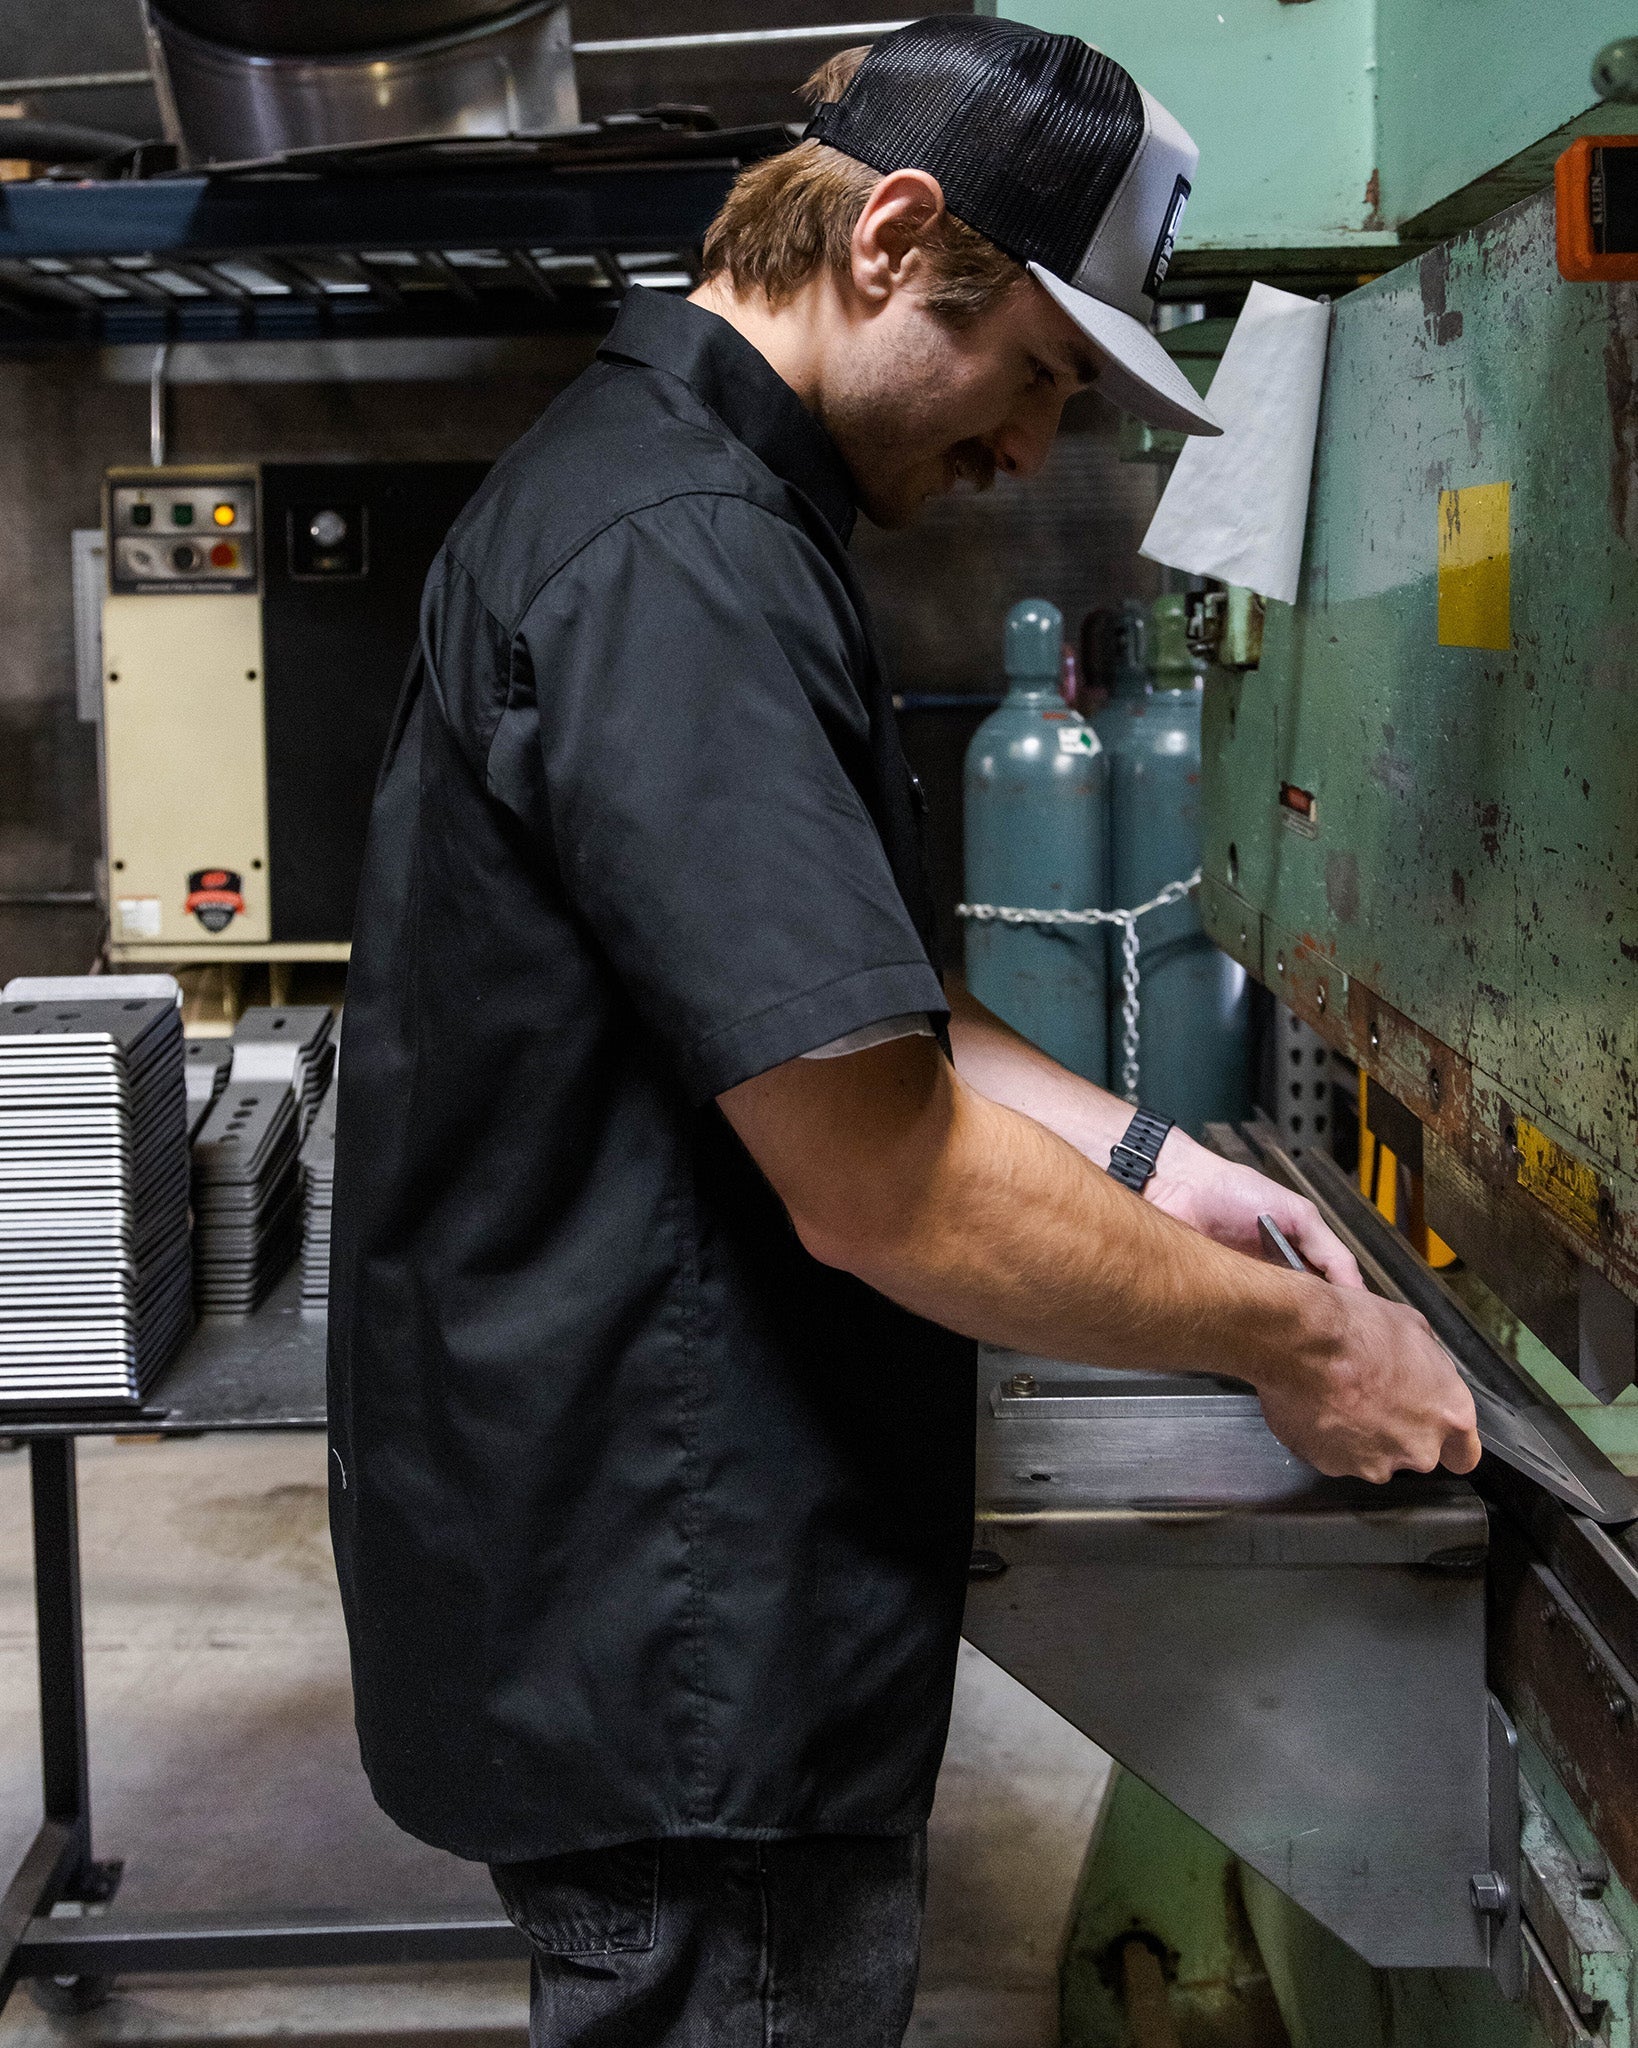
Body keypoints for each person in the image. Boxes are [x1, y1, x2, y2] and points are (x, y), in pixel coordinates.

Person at [328, 17, 1480, 2046]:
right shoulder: (677, 562)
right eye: (1034, 372)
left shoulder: (698, 509)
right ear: (890, 239)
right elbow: (882, 1178)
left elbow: (860, 1015)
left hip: (665, 1584)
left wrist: (1160, 1164)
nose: (1030, 454)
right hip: (681, 1621)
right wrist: (1305, 1346)